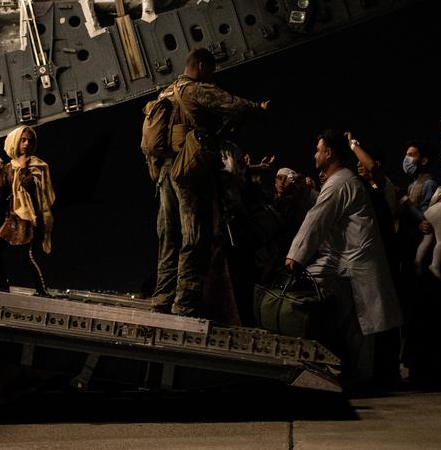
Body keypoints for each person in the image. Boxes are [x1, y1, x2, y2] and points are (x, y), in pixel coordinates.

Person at [151, 48, 269, 317]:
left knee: (168, 236)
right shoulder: (195, 90)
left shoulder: (165, 93)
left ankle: (162, 298)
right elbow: (231, 104)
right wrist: (257, 108)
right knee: (194, 236)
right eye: (211, 71)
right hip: (187, 169)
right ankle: (185, 304)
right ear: (202, 66)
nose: (212, 77)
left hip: (164, 173)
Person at [286, 130, 403, 385]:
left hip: (354, 263)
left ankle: (361, 378)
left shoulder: (340, 182)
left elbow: (317, 219)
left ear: (329, 153)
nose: (315, 154)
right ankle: (360, 377)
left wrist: (295, 257)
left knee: (359, 327)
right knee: (355, 326)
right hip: (348, 262)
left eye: (318, 149)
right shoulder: (343, 180)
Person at [0, 126, 55, 297]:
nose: (26, 144)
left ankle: (42, 290)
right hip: (12, 218)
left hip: (30, 218)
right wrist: (0, 176)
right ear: (15, 142)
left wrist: (24, 169)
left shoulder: (38, 166)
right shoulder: (10, 167)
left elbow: (31, 188)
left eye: (30, 141)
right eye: (23, 140)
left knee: (27, 256)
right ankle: (1, 282)